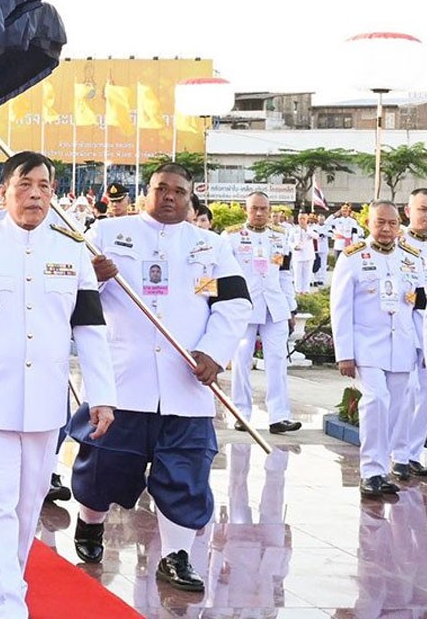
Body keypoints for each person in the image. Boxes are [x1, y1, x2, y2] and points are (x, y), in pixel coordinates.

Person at [0, 151, 116, 618]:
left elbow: (90, 328)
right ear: (3, 192)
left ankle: (9, 585)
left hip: (44, 402)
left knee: (28, 507)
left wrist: (102, 395)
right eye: (24, 185)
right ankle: (8, 607)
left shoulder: (72, 249)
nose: (35, 195)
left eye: (44, 186)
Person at [72, 163, 252, 592]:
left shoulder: (211, 246)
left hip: (185, 384)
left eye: (179, 191)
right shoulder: (106, 233)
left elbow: (235, 304)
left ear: (190, 199)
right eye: (161, 189)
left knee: (184, 474)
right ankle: (90, 521)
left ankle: (176, 556)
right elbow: (72, 295)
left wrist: (214, 351)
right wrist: (93, 278)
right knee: (103, 468)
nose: (169, 196)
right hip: (123, 381)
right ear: (146, 192)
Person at [332, 200, 426, 496]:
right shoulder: (353, 257)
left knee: (397, 409)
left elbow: (419, 308)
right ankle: (371, 472)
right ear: (368, 223)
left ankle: (383, 469)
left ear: (400, 225)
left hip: (402, 344)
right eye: (380, 222)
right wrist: (344, 354)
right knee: (376, 401)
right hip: (367, 346)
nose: (386, 229)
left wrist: (422, 348)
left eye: (392, 223)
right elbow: (341, 309)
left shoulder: (411, 258)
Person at [223, 192, 301, 435]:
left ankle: (279, 416)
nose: (259, 213)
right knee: (242, 360)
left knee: (277, 360)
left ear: (270, 210)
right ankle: (241, 414)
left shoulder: (280, 235)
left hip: (274, 305)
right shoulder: (231, 236)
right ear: (245, 209)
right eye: (254, 208)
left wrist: (291, 307)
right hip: (244, 306)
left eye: (264, 209)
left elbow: (285, 273)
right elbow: (224, 274)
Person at [399, 188, 427, 478]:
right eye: (423, 209)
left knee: (426, 394)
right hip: (405, 324)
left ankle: (413, 454)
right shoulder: (396, 243)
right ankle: (398, 454)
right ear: (408, 211)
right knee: (407, 391)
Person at [289, 213, 318, 294]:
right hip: (297, 255)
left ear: (307, 219)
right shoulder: (293, 229)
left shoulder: (311, 228)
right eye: (300, 219)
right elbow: (289, 241)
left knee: (307, 275)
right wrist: (294, 246)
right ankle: (298, 291)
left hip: (308, 255)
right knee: (297, 275)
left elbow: (316, 236)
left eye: (303, 219)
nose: (302, 221)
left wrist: (306, 230)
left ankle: (306, 291)